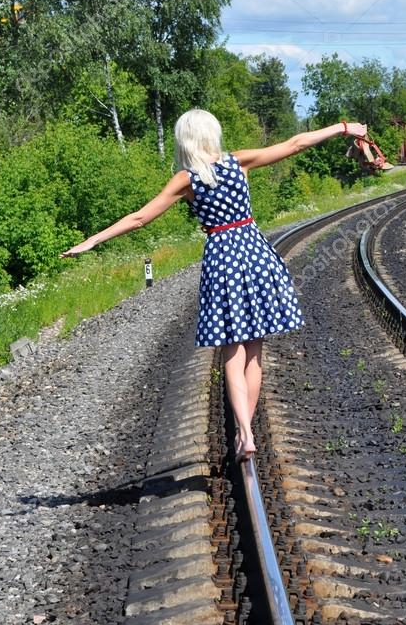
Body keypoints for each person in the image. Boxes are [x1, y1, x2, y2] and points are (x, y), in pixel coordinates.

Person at [61, 109, 367, 462]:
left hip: (222, 259)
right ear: (212, 134)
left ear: (184, 140)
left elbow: (141, 217)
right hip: (255, 253)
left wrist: (93, 240)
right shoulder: (239, 161)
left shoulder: (186, 179)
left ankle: (246, 432)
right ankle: (244, 432)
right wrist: (343, 128)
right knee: (255, 351)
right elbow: (297, 143)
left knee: (230, 353)